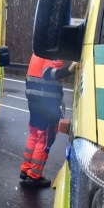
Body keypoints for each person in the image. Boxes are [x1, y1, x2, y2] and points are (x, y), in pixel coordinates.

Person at [19, 54, 77, 188]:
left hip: (34, 100)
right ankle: (34, 176)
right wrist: (69, 70)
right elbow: (48, 73)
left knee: (34, 134)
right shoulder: (54, 52)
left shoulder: (38, 51)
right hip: (46, 102)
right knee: (44, 139)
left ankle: (26, 169)